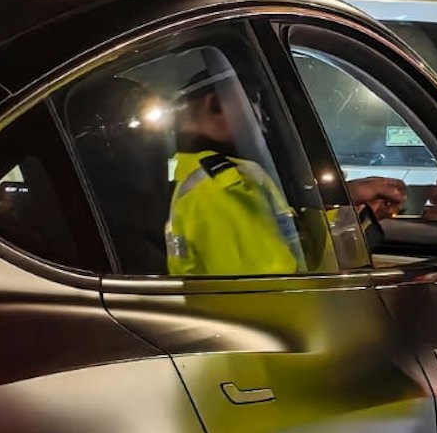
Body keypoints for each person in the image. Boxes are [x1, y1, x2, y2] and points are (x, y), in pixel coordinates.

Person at [165, 64, 406, 276]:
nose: (264, 118)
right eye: (255, 102)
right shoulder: (222, 189)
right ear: (217, 104)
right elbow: (281, 295)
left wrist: (355, 214)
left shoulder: (206, 184)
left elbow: (296, 255)